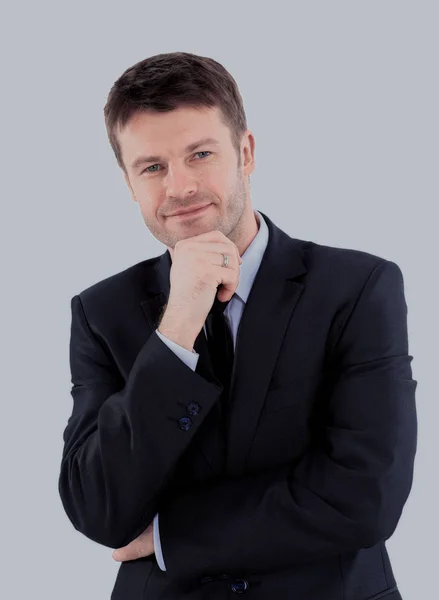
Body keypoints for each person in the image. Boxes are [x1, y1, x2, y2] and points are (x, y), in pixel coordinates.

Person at [58, 51, 417, 600]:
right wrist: (175, 329)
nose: (178, 187)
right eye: (152, 167)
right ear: (129, 183)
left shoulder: (358, 288)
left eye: (200, 154)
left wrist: (168, 537)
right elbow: (98, 509)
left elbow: (364, 498)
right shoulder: (100, 313)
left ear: (245, 153)